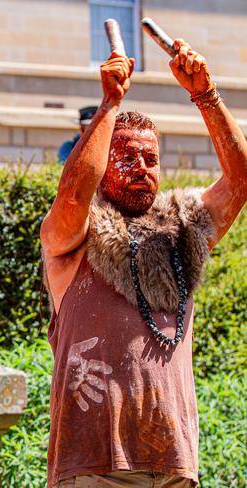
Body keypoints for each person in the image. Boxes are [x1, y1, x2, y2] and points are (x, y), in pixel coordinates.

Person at [40, 39, 247, 487]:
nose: (141, 167)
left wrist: (206, 94)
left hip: (174, 464)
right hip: (96, 466)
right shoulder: (73, 233)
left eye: (151, 158)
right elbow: (75, 192)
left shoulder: (182, 227)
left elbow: (240, 179)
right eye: (126, 157)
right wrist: (110, 103)